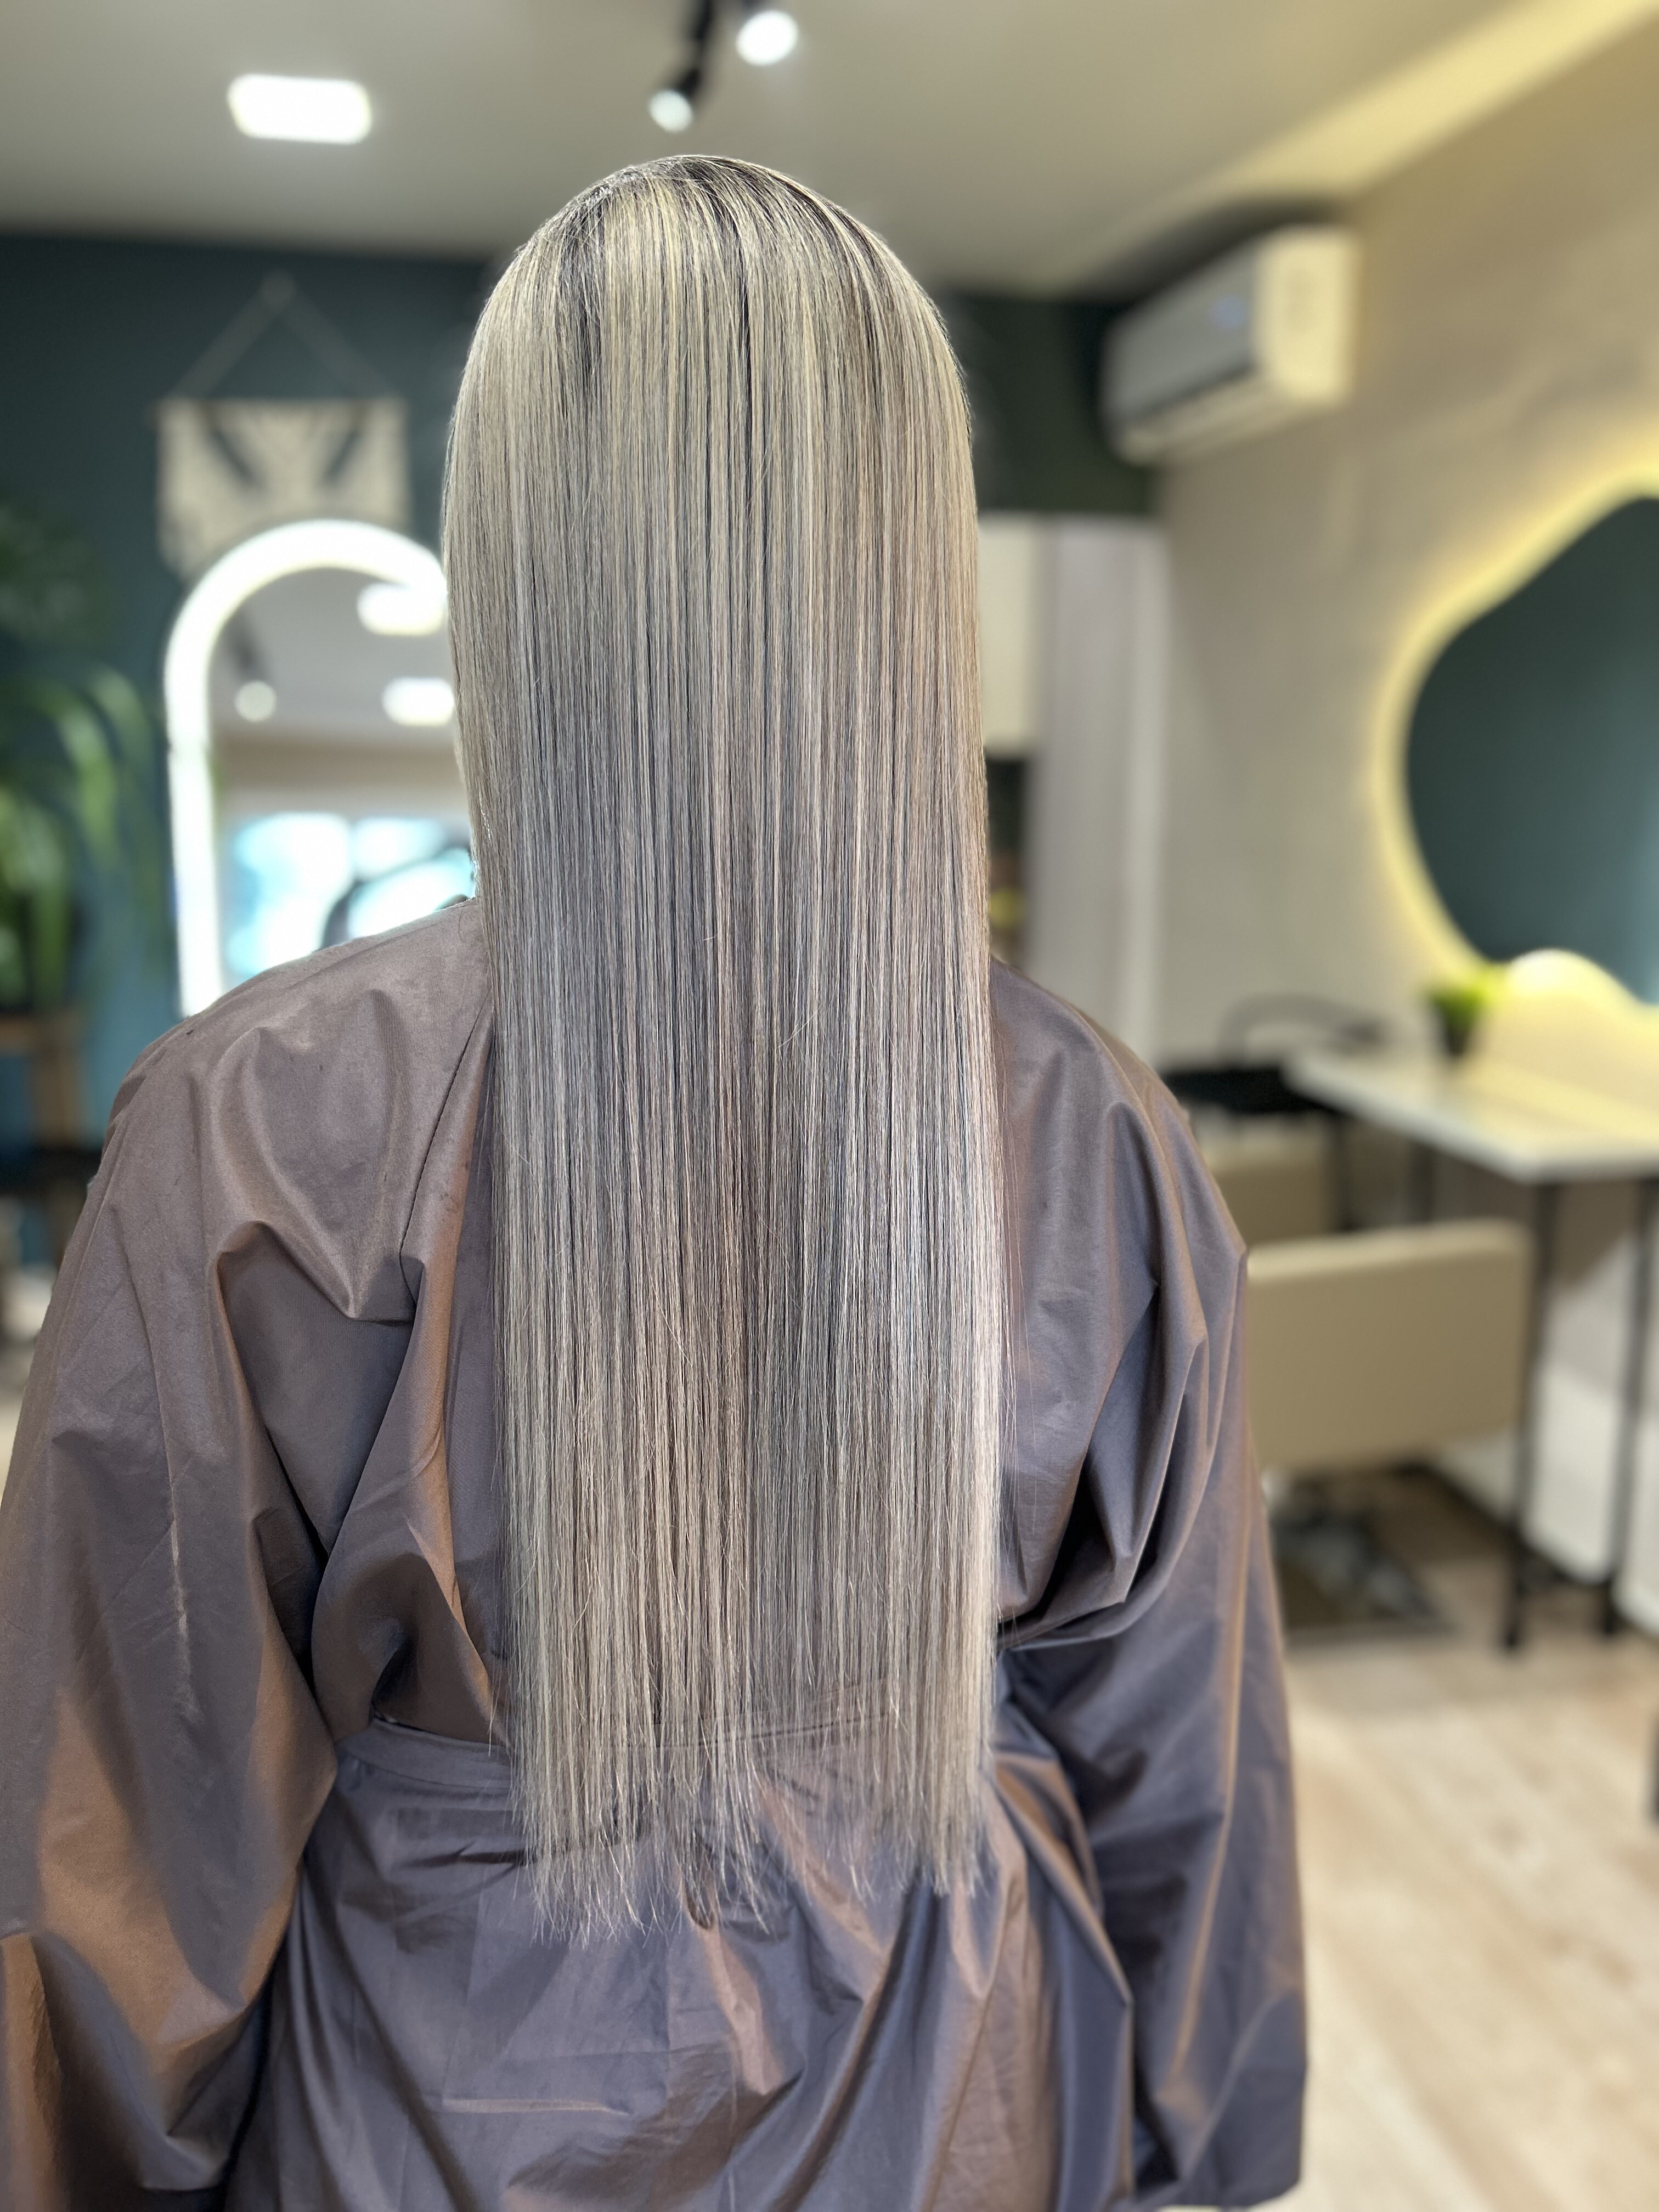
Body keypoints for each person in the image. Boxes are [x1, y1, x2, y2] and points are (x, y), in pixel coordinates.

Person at [0, 157, 1303, 2210]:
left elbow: (120, 1846)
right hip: (966, 2094)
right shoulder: (1096, 1133)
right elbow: (1183, 1773)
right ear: (911, 572)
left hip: (442, 2114)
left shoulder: (256, 1128)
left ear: (510, 560)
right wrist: (1209, 2158)